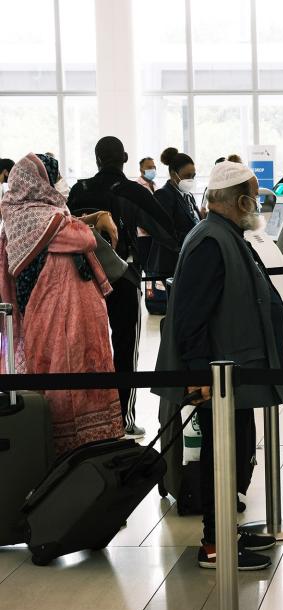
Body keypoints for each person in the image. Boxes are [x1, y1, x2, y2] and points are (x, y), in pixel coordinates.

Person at [154, 161, 283, 571]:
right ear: (241, 200)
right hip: (219, 376)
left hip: (234, 372)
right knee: (223, 455)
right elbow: (190, 317)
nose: (259, 206)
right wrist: (200, 374)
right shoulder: (212, 240)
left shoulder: (223, 233)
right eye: (255, 196)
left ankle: (225, 531)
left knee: (238, 450)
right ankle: (215, 543)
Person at [0, 154, 123, 455]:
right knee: (69, 369)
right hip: (61, 313)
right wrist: (88, 221)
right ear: (39, 182)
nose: (59, 184)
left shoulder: (20, 215)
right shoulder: (47, 219)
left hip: (46, 312)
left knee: (62, 368)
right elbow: (83, 239)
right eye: (54, 177)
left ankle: (67, 444)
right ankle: (75, 445)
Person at [67, 136, 178, 439]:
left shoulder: (79, 190)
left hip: (82, 279)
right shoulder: (131, 191)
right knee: (125, 345)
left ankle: (88, 417)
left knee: (85, 347)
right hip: (123, 278)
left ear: (97, 159)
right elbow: (165, 229)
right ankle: (123, 418)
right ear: (125, 158)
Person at [150, 148, 202, 276]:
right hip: (170, 265)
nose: (191, 179)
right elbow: (166, 233)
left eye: (193, 176)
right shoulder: (163, 195)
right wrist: (196, 239)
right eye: (187, 176)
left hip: (188, 261)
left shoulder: (188, 195)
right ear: (174, 175)